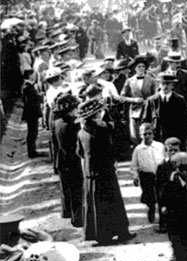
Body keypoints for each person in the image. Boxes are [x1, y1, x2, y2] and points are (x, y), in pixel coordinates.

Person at [76, 98, 136, 246]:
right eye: (99, 112)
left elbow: (80, 152)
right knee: (113, 201)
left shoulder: (81, 132)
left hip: (90, 172)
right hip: (105, 171)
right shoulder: (101, 130)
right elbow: (110, 147)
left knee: (96, 204)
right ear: (95, 115)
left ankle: (101, 235)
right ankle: (121, 232)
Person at [52, 93, 83, 227]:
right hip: (73, 161)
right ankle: (77, 218)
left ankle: (66, 212)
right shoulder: (72, 125)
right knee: (76, 190)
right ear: (70, 110)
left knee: (66, 189)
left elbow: (54, 143)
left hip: (61, 160)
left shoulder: (57, 123)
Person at [143, 72, 187, 149]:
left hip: (176, 137)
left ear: (172, 85)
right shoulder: (151, 100)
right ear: (159, 84)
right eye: (163, 83)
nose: (165, 86)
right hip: (158, 138)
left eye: (168, 84)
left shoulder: (179, 100)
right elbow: (146, 121)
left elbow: (186, 121)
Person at [131, 122, 165, 224]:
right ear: (140, 135)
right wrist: (135, 176)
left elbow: (165, 159)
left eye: (149, 133)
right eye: (144, 134)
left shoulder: (160, 146)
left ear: (153, 134)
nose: (147, 136)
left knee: (161, 196)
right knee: (149, 196)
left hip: (160, 175)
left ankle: (162, 221)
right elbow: (134, 165)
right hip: (146, 176)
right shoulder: (138, 149)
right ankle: (151, 207)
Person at [120, 55, 158, 145]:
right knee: (135, 135)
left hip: (149, 111)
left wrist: (149, 100)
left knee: (149, 132)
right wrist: (134, 100)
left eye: (143, 66)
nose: (141, 68)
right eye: (139, 67)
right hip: (135, 111)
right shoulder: (129, 81)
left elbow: (157, 94)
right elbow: (122, 97)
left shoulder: (152, 80)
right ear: (135, 69)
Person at [20, 69, 42, 159]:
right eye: (33, 74)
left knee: (33, 132)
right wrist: (40, 97)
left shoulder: (27, 86)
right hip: (32, 113)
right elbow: (33, 100)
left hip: (30, 113)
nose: (35, 76)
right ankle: (32, 152)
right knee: (33, 132)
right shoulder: (28, 87)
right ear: (29, 75)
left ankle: (32, 150)